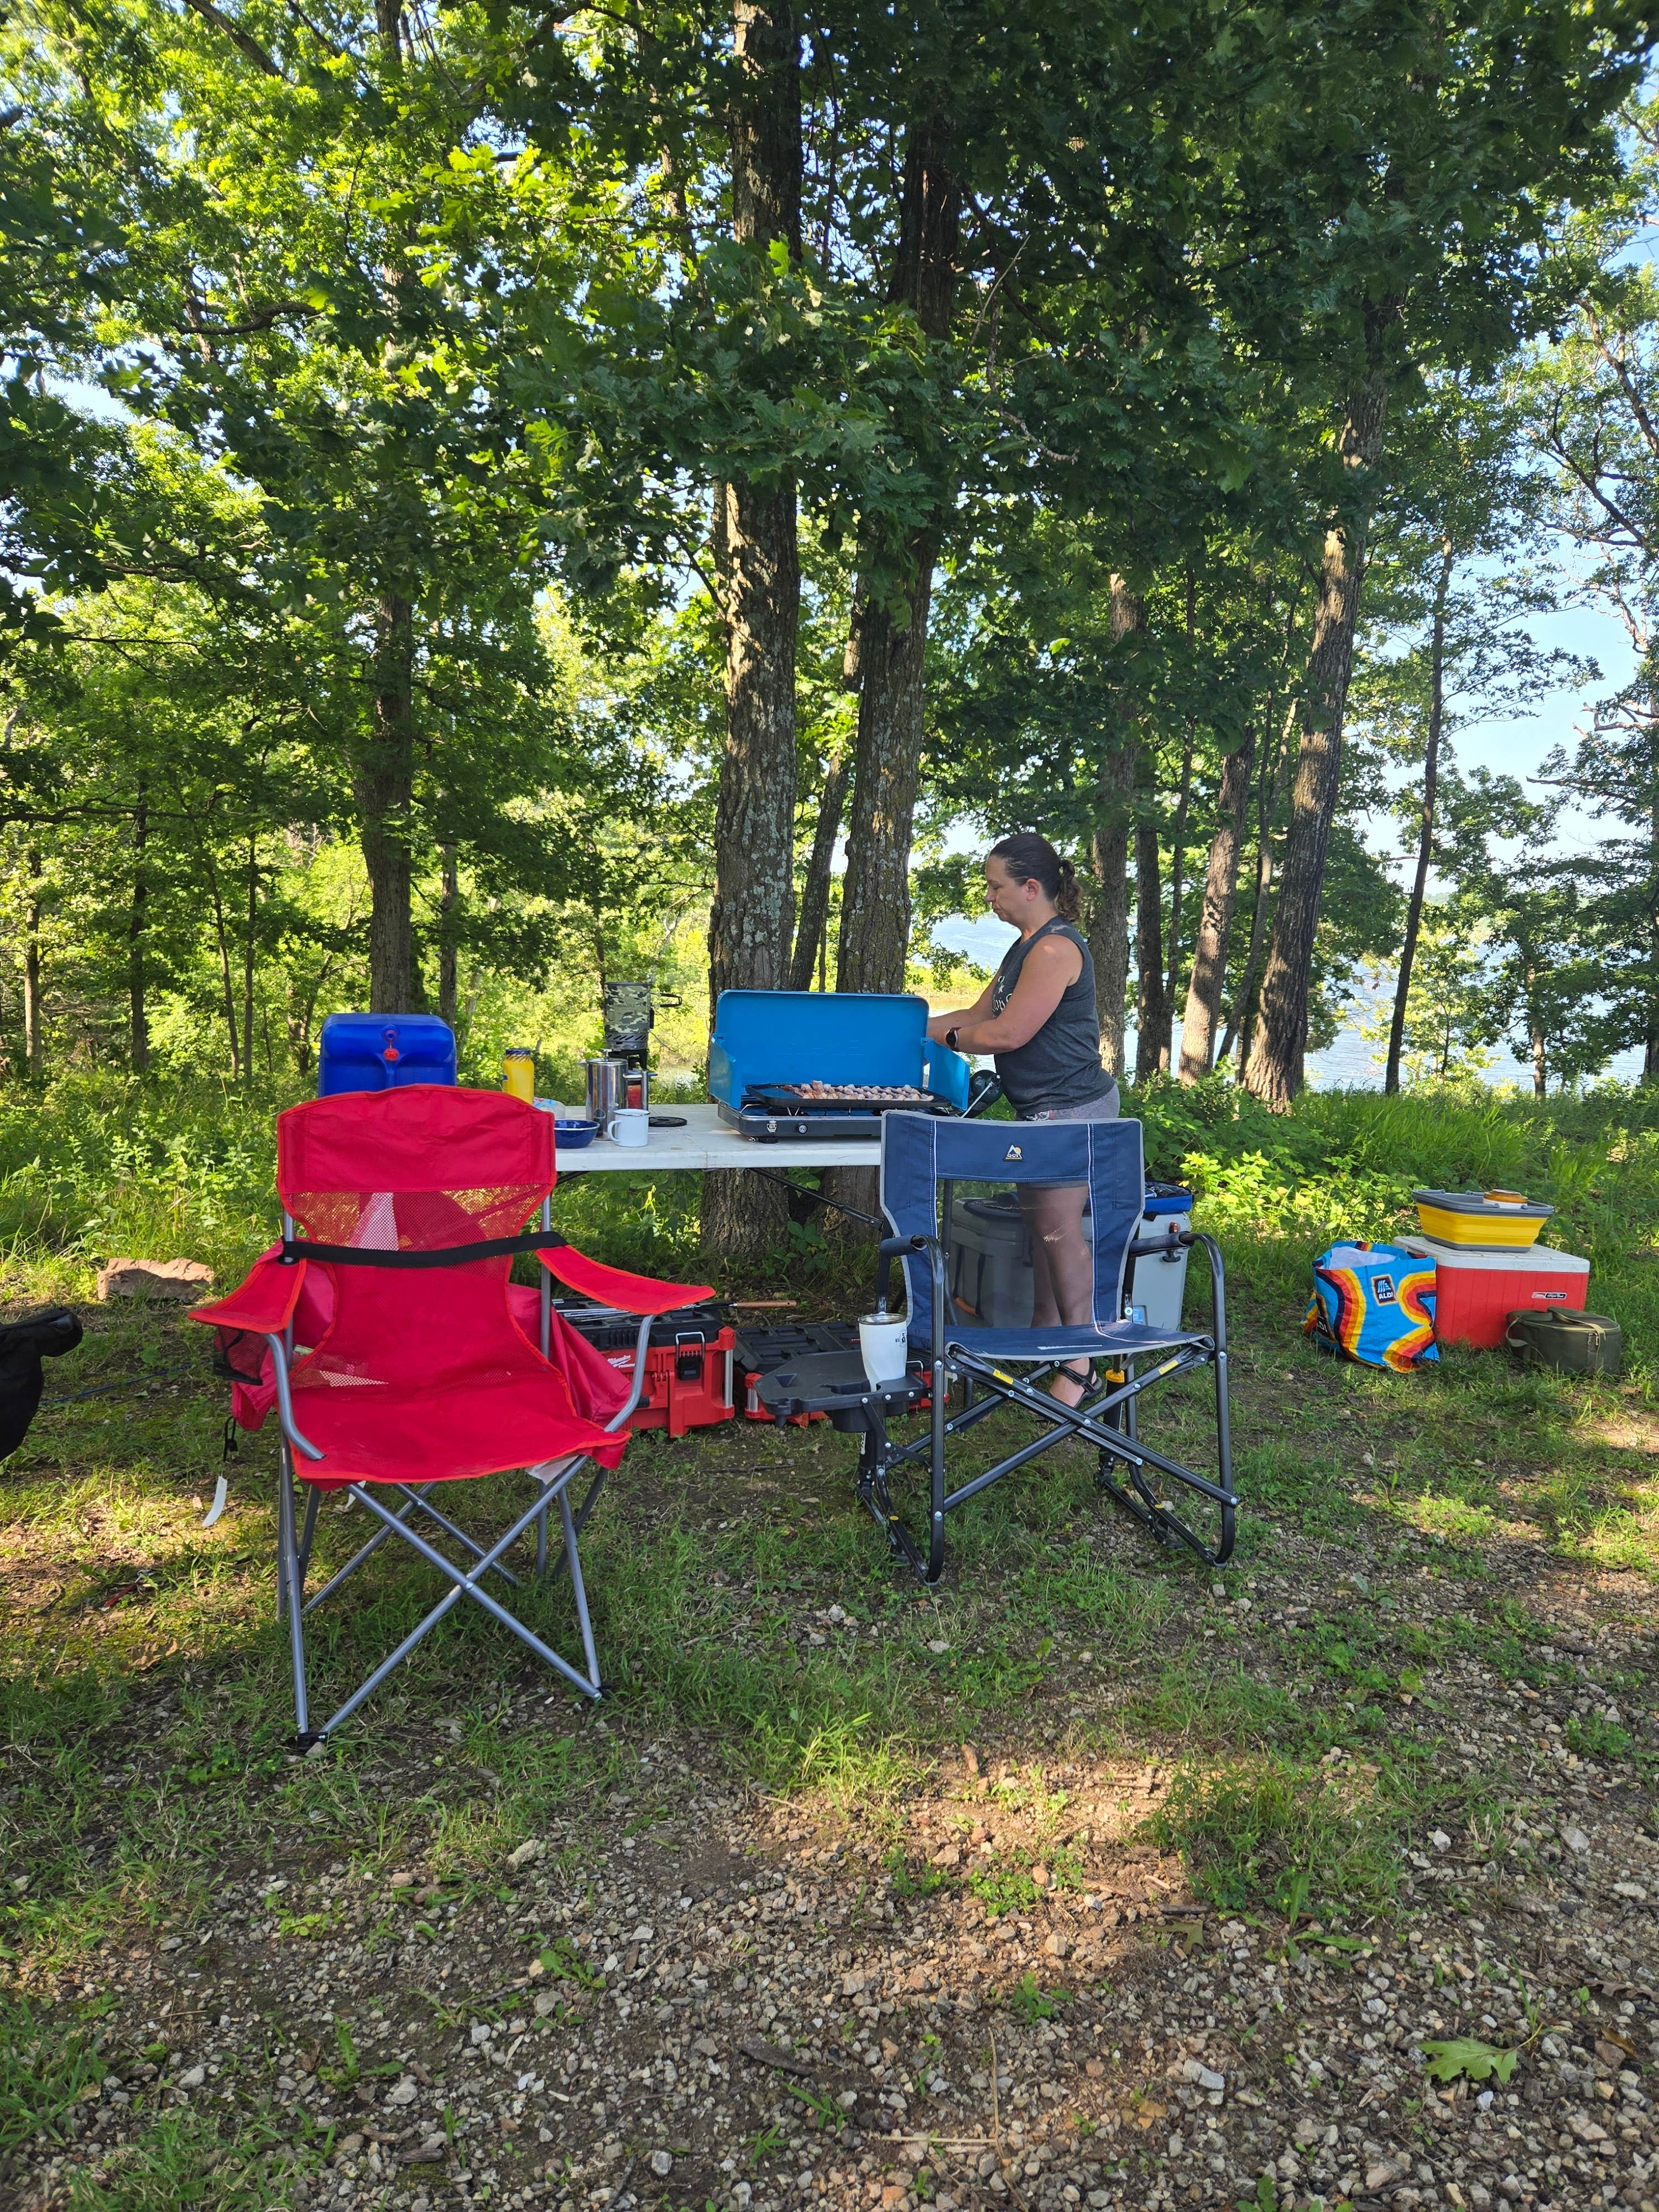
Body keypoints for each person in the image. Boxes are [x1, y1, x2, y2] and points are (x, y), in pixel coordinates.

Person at [926, 833, 1117, 1405]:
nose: (990, 897)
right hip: (1042, 1110)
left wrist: (955, 1038)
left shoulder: (1057, 950)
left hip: (1072, 1110)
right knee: (1043, 1233)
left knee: (1060, 1236)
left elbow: (1006, 1033)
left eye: (996, 886)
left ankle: (1081, 1362)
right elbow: (977, 1014)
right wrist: (909, 1023)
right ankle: (1044, 1341)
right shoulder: (1024, 948)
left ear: (1031, 887)